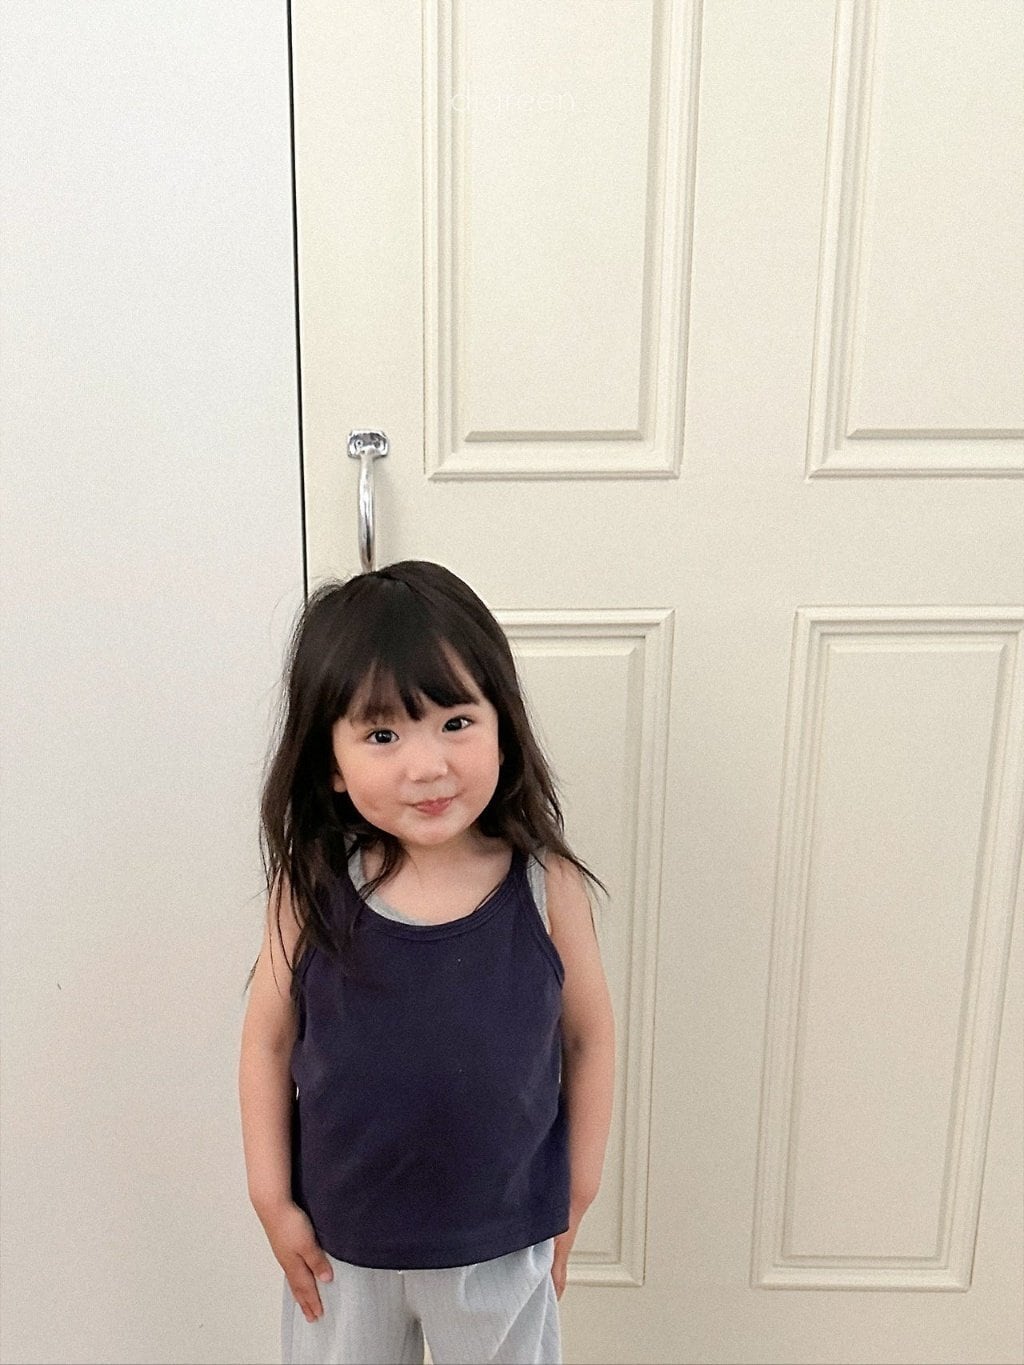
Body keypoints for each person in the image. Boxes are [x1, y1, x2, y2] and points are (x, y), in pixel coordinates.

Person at [238, 560, 616, 1365]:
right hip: (341, 1249)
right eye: (383, 735)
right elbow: (267, 1041)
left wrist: (578, 1187)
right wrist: (270, 1194)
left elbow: (588, 1038)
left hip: (500, 1239)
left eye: (455, 721)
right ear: (331, 761)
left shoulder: (547, 886)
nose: (427, 765)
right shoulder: (309, 888)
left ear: (503, 723)